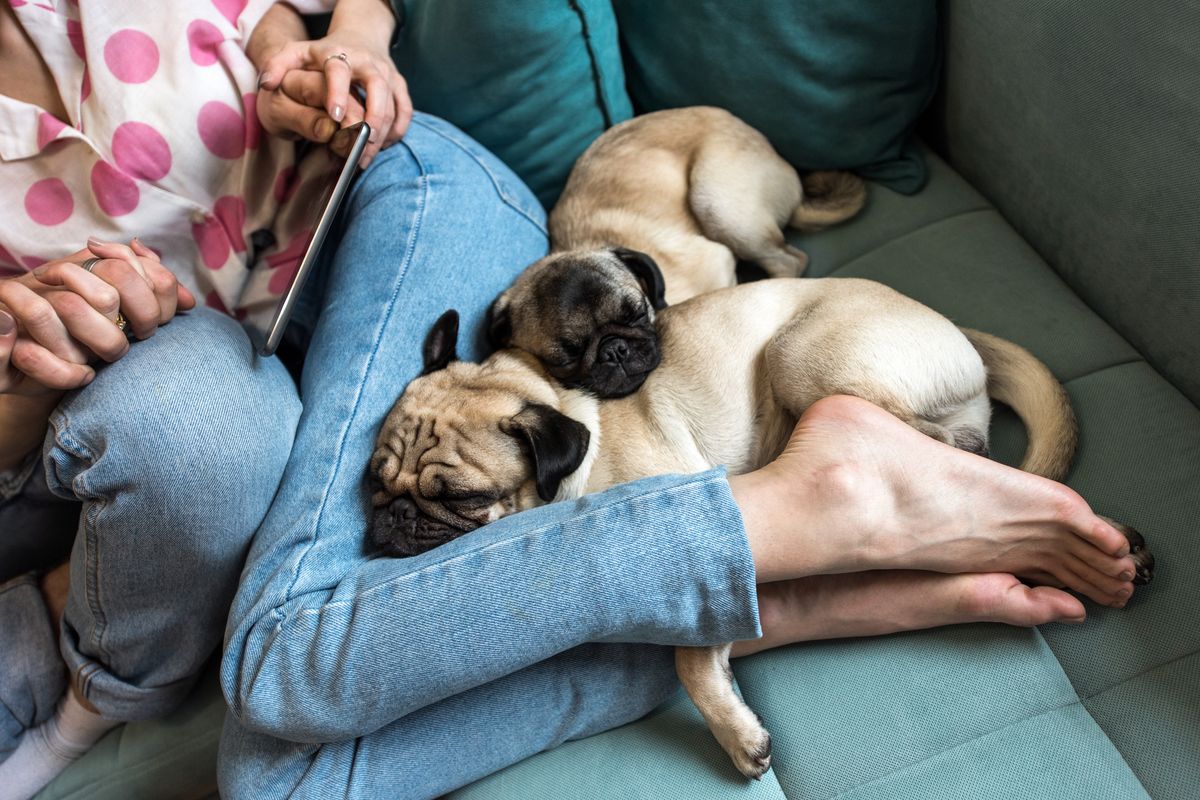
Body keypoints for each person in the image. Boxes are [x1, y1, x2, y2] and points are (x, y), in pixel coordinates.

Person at [0, 2, 1142, 800]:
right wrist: (38, 368)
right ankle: (787, 593)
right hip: (243, 373)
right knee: (275, 779)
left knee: (280, 664)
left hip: (412, 218)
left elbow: (327, 20)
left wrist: (343, 56)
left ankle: (789, 520)